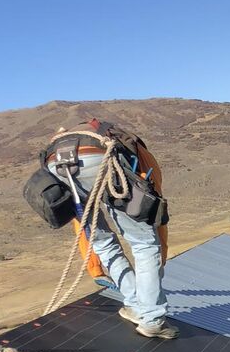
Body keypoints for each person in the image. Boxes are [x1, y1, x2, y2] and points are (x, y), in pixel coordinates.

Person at [45, 119, 177, 340]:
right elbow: (155, 208)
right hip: (99, 158)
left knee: (103, 243)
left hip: (56, 166)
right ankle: (153, 320)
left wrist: (95, 267)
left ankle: (134, 305)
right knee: (144, 245)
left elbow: (84, 227)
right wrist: (160, 256)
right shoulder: (136, 150)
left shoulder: (65, 140)